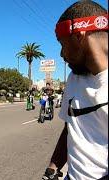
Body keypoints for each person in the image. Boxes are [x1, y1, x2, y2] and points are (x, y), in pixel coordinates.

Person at [42, 1, 108, 180]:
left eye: (62, 44)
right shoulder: (74, 78)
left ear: (79, 36)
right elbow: (70, 128)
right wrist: (52, 169)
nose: (61, 54)